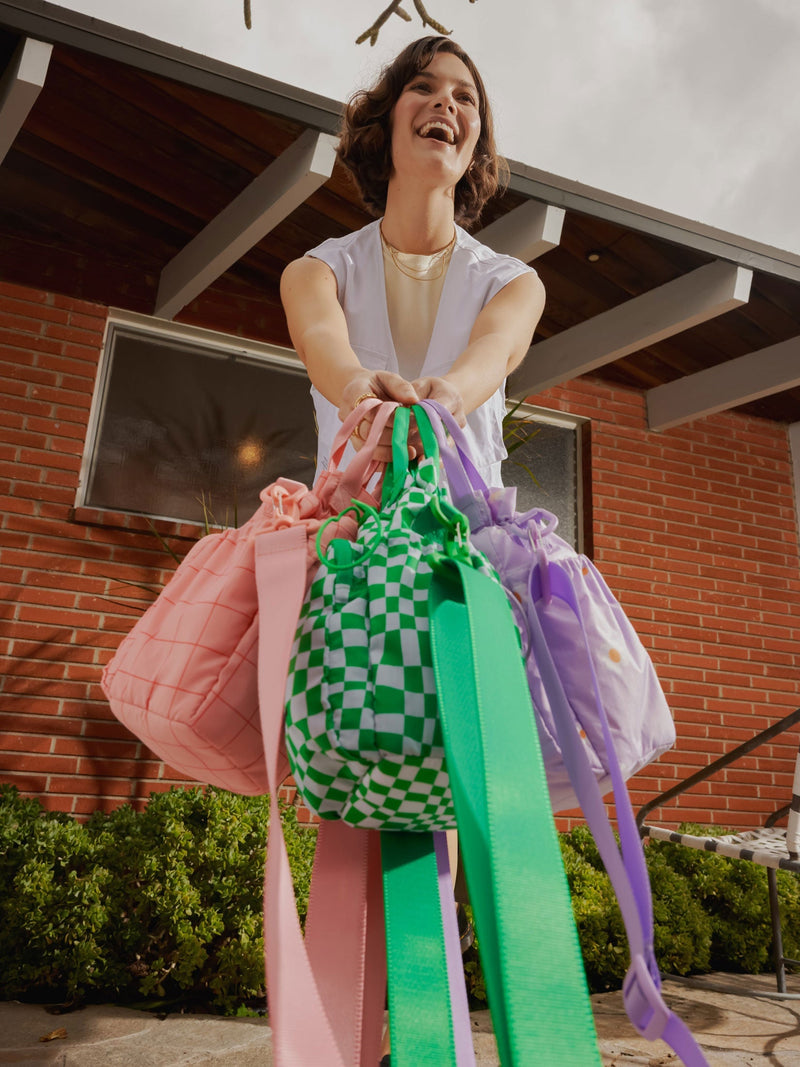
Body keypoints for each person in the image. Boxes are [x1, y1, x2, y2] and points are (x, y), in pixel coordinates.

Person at [280, 34, 545, 1066]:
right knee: (355, 801)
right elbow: (326, 347)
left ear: (474, 136)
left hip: (460, 569)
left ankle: (431, 1041)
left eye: (464, 96)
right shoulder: (319, 266)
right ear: (386, 121)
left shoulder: (508, 278)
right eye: (423, 91)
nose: (445, 105)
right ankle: (346, 1042)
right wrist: (361, 391)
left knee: (454, 810)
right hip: (348, 562)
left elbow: (491, 355)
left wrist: (437, 398)